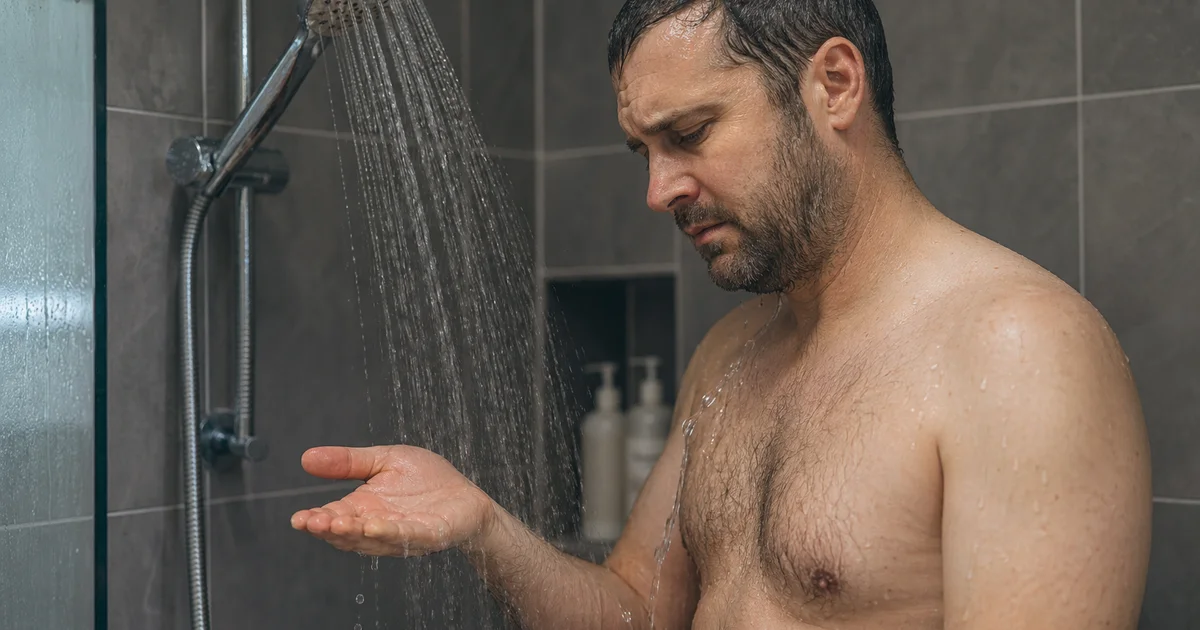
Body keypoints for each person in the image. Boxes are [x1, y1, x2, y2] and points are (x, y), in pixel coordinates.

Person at [291, 0, 1153, 627]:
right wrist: (484, 526)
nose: (658, 189)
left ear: (835, 83)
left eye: (691, 134)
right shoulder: (733, 353)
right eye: (645, 151)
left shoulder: (1018, 352)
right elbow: (633, 612)